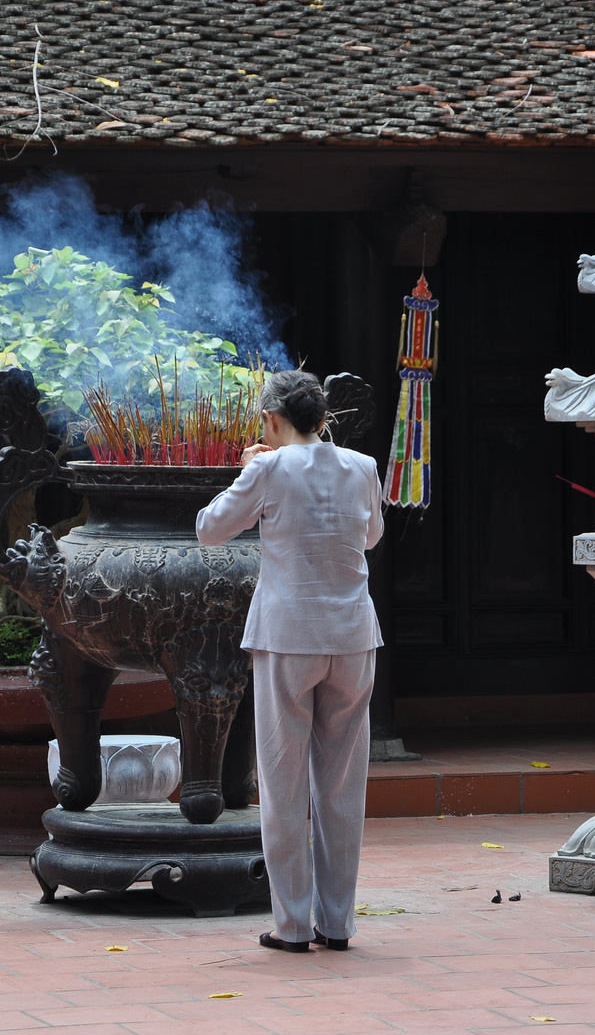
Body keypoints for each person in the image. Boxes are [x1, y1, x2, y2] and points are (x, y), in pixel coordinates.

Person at [195, 369, 384, 953]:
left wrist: (251, 470)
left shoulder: (269, 468)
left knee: (283, 783)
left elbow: (210, 530)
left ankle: (293, 926)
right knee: (342, 787)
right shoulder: (363, 467)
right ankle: (338, 924)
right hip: (352, 636)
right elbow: (371, 536)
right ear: (323, 419)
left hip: (289, 636)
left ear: (273, 421)